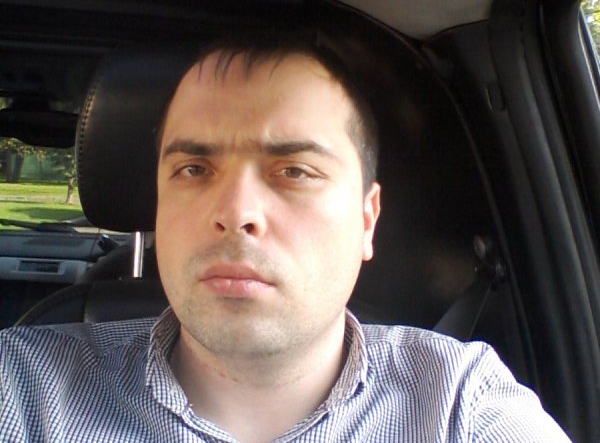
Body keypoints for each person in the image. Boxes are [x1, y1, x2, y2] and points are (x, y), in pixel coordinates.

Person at [0, 34, 571, 443]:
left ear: (366, 220)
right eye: (193, 170)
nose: (236, 213)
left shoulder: (458, 406)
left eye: (294, 171)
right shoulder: (23, 392)